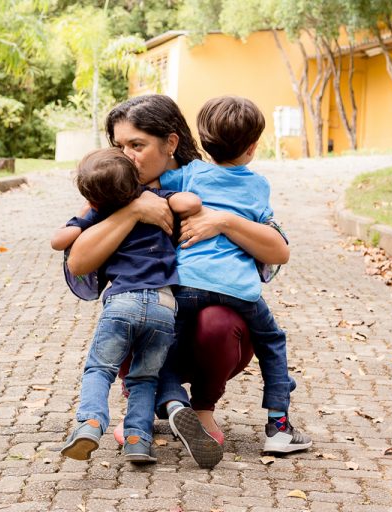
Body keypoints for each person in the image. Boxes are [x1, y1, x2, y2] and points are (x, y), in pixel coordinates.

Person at [64, 95, 291, 467]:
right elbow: (78, 261)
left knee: (219, 318)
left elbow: (279, 250)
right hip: (142, 333)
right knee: (131, 308)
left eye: (137, 145)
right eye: (118, 146)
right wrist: (134, 210)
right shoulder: (112, 187)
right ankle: (149, 406)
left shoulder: (206, 180)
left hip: (208, 338)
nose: (125, 156)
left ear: (170, 143)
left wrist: (223, 221)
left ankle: (200, 410)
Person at [156, 96, 312, 454]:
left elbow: (154, 183)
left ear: (203, 140)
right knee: (273, 341)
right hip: (238, 291)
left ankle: (171, 400)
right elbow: (270, 235)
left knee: (161, 341)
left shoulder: (189, 173)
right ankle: (278, 426)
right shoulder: (259, 186)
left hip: (187, 282)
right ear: (253, 147)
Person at [53, 147, 201, 464]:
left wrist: (85, 215)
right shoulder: (154, 198)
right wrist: (167, 198)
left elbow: (59, 241)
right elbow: (191, 203)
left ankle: (90, 423)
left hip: (124, 301)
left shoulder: (101, 213)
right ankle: (137, 440)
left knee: (100, 369)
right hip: (164, 305)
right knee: (145, 378)